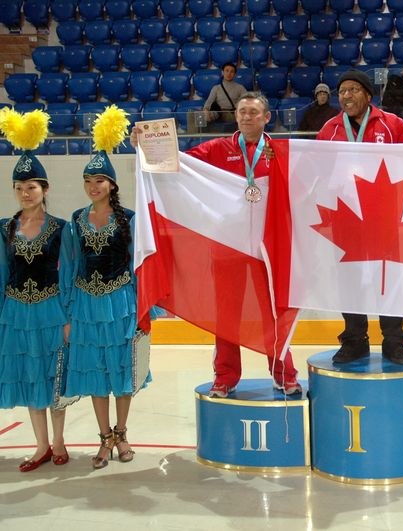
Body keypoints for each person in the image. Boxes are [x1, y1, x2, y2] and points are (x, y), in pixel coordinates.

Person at [132, 92, 302, 399]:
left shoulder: (278, 151)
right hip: (226, 248)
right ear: (235, 116)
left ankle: (284, 374)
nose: (246, 116)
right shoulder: (217, 148)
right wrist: (144, 146)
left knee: (273, 314)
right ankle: (225, 377)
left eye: (253, 112)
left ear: (266, 118)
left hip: (268, 250)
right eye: (242, 111)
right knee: (227, 316)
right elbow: (176, 164)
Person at [317, 69, 403, 365]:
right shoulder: (330, 129)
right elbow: (314, 167)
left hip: (386, 216)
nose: (346, 96)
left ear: (368, 95)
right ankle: (355, 340)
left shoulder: (391, 124)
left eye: (353, 90)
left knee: (390, 278)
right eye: (342, 91)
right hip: (347, 218)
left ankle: (394, 341)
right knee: (349, 280)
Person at [64, 105, 149, 469]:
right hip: (86, 304)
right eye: (88, 180)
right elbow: (71, 267)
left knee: (122, 369)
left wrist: (145, 308)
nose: (93, 186)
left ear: (112, 184)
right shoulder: (76, 220)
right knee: (96, 372)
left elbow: (139, 266)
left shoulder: (129, 219)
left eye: (99, 180)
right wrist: (68, 313)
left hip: (121, 303)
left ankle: (122, 432)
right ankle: (104, 438)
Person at [0, 109, 73, 472]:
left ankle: (59, 442)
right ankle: (41, 445)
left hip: (51, 311)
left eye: (31, 187)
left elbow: (70, 274)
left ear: (45, 189)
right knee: (31, 376)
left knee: (53, 376)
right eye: (19, 187)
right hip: (16, 313)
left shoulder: (62, 228)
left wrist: (68, 316)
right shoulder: (4, 228)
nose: (24, 193)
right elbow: (2, 273)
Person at [201, 62, 247, 131]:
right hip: (219, 115)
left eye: (232, 72)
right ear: (222, 72)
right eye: (227, 71)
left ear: (235, 75)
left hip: (234, 115)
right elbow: (207, 105)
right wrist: (206, 113)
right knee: (199, 116)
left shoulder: (240, 88)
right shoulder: (216, 88)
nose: (229, 73)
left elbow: (247, 103)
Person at [382, 62, 403, 129]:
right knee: (377, 112)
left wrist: (395, 95)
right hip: (388, 106)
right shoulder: (393, 78)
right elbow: (389, 92)